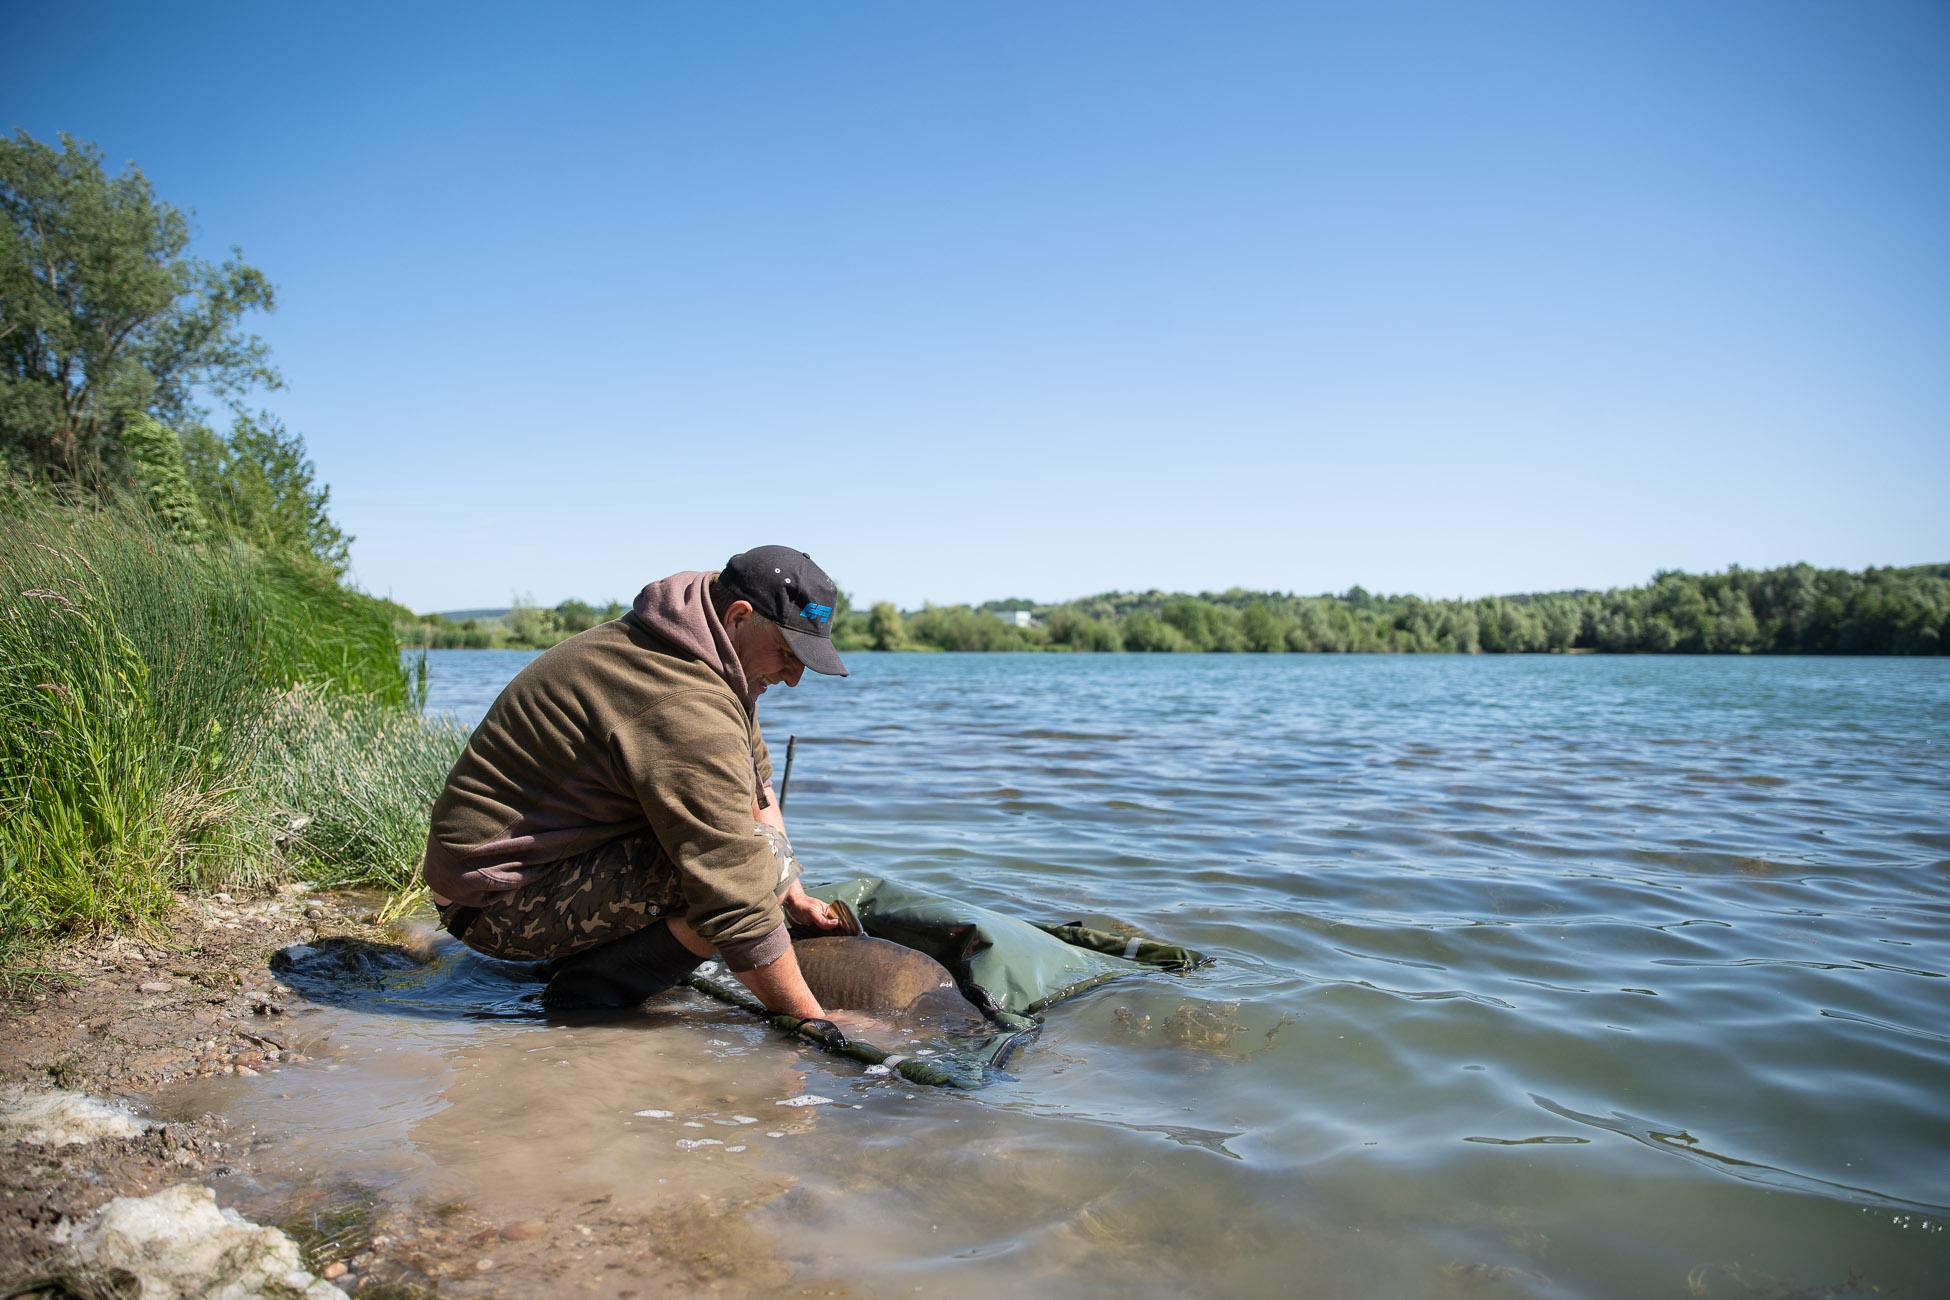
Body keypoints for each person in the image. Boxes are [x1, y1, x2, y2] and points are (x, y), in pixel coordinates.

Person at [420, 545, 852, 1019]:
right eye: (789, 654)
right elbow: (736, 893)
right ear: (738, 616)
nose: (793, 679)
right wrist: (815, 1023)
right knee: (749, 867)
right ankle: (590, 987)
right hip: (491, 902)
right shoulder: (682, 699)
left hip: (516, 866)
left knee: (762, 857)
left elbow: (756, 786)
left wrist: (792, 892)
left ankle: (594, 956)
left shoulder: (697, 650)